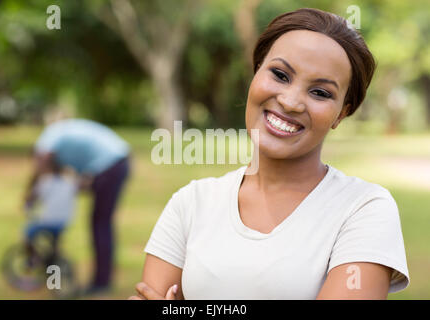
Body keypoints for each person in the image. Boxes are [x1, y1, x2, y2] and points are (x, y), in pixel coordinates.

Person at [129, 8, 410, 300]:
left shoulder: (364, 210)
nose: (290, 102)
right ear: (256, 72)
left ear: (342, 113)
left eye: (320, 93)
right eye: (280, 75)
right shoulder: (191, 204)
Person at [25, 118, 131, 295]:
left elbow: (42, 171)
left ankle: (101, 282)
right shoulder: (57, 137)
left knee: (100, 224)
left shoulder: (46, 141)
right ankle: (100, 279)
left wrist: (31, 194)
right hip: (116, 160)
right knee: (100, 223)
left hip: (112, 163)